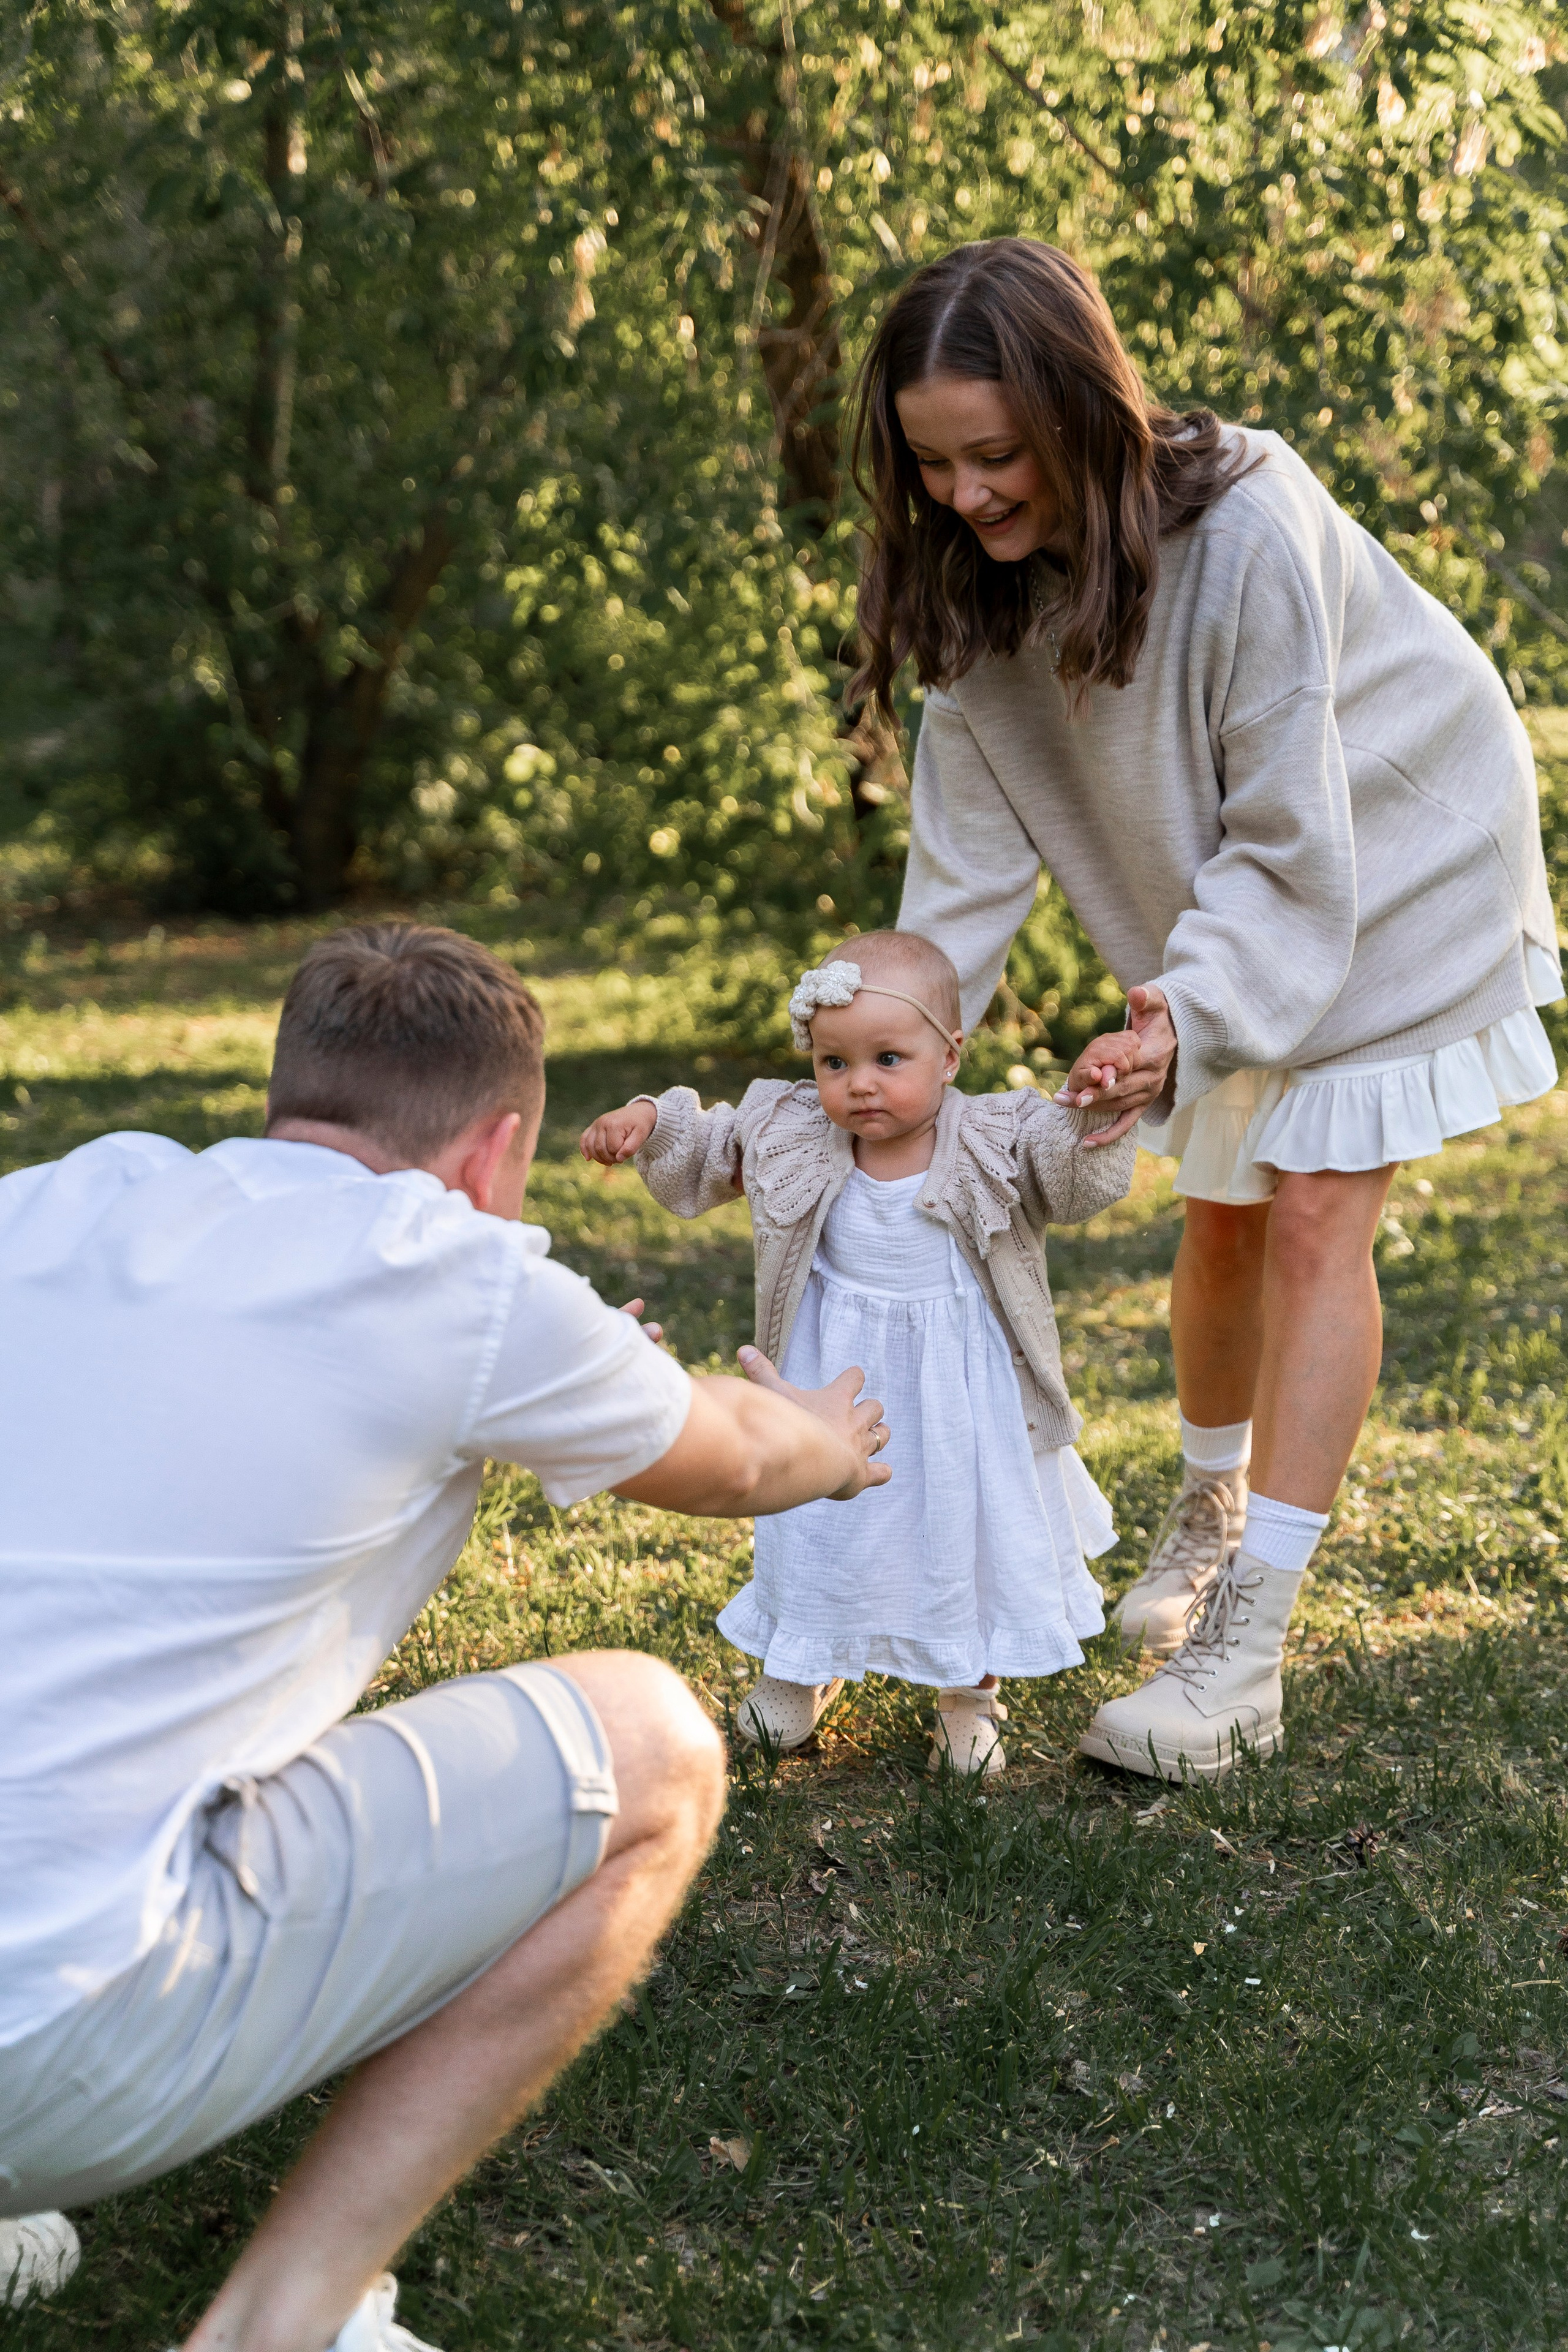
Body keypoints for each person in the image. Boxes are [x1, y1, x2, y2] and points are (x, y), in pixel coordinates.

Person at [0, 922, 893, 2352]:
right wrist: (830, 1442)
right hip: (52, 2045)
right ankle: (283, 2323)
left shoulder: (59, 1197)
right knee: (654, 1752)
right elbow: (737, 1462)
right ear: (496, 1150)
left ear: (292, 1095)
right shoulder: (451, 1275)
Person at [850, 236, 1562, 1781]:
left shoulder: (1243, 530)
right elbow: (958, 896)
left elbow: (1296, 847)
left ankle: (1248, 1648)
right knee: (1221, 1211)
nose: (965, 496)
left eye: (996, 454)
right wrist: (873, 1061)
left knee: (1311, 1210)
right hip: (1240, 900)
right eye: (929, 465)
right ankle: (1208, 1502)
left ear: (1077, 411)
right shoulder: (971, 603)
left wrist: (1180, 1012)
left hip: (1396, 842)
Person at [580, 930, 1134, 1776]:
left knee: (965, 1527)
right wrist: (653, 1123)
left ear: (949, 1057)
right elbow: (716, 1149)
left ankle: (968, 1691)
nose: (858, 1084)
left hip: (960, 1386)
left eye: (887, 1058)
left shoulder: (996, 1135)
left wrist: (1094, 1111)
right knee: (816, 1523)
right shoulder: (793, 1129)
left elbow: (1074, 1176)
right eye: (833, 1063)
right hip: (832, 1374)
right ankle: (803, 1663)